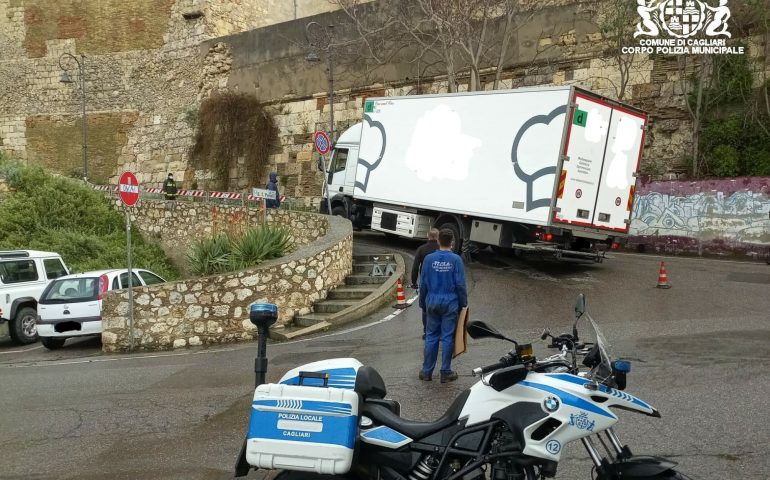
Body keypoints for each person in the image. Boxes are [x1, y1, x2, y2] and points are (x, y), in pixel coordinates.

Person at [418, 228, 468, 383]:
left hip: (432, 301)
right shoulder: (456, 260)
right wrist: (463, 304)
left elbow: (423, 283)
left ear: (438, 240)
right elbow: (460, 285)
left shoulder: (428, 259)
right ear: (452, 242)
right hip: (450, 302)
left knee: (431, 336)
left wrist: (422, 303)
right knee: (447, 337)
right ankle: (445, 371)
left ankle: (427, 372)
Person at [410, 228, 440, 339]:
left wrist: (414, 282)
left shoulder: (421, 249)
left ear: (428, 235)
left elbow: (415, 267)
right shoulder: (441, 249)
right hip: (439, 281)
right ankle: (438, 330)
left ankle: (427, 332)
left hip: (426, 282)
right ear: (438, 237)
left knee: (425, 307)